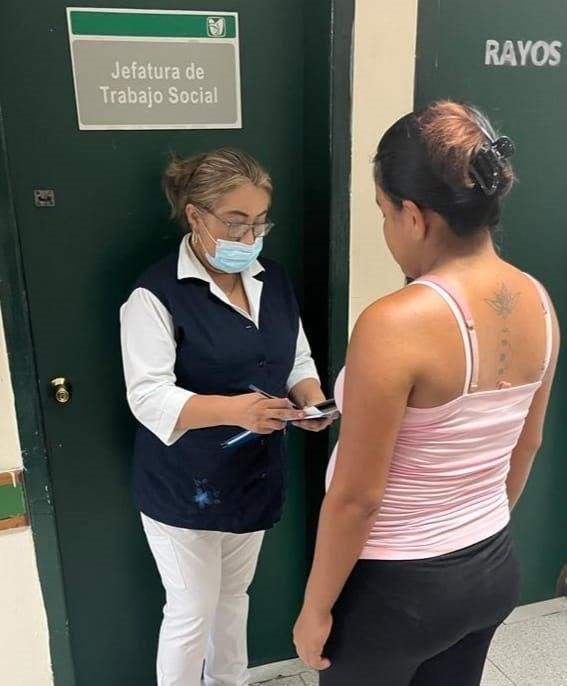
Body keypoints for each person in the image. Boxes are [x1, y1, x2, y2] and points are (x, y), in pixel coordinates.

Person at [293, 101, 560, 685]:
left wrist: (315, 609)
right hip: (491, 564)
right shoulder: (539, 302)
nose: (388, 229)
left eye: (384, 212)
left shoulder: (394, 323)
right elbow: (527, 444)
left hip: (395, 591)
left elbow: (356, 499)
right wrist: (469, 536)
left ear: (414, 216)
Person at [120, 148, 333, 686]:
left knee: (234, 598)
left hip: (251, 476)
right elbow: (147, 396)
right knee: (191, 610)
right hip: (182, 483)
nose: (249, 236)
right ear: (195, 215)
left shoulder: (273, 280)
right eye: (235, 222)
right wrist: (237, 410)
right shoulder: (154, 295)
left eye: (260, 222)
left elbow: (296, 357)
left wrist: (310, 399)